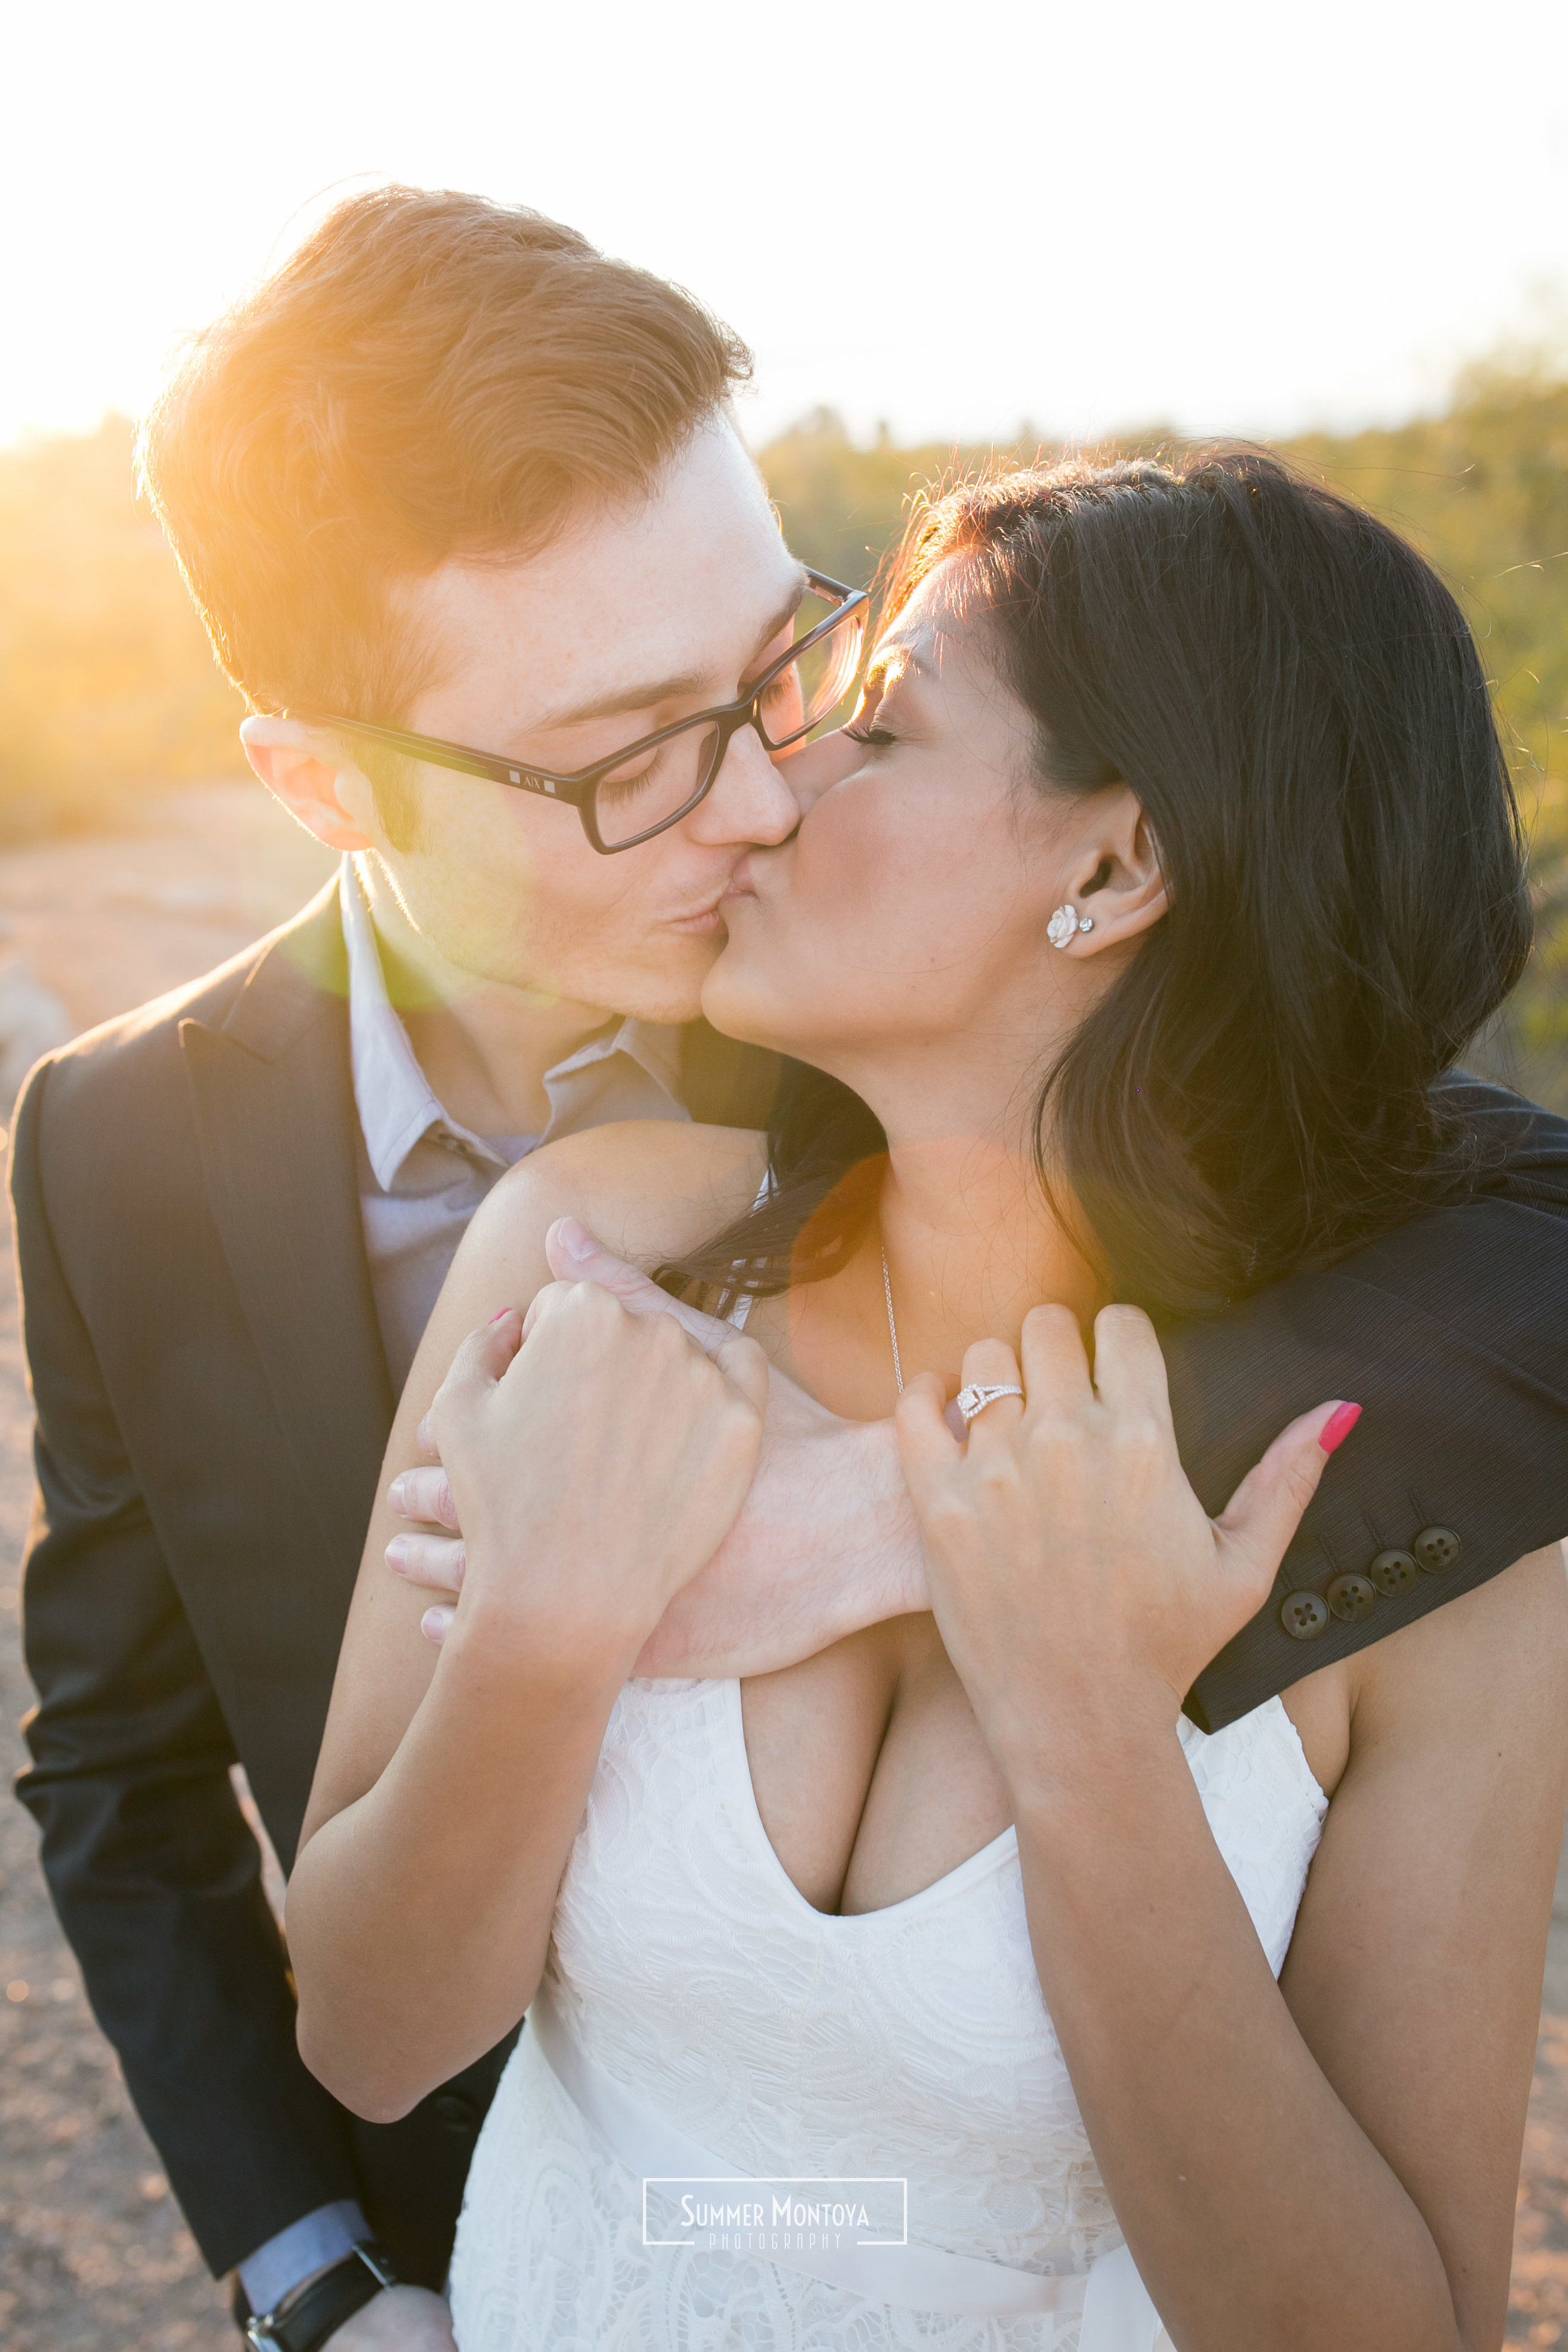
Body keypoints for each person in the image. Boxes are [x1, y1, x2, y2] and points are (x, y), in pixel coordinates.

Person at [9, 178, 1568, 2352]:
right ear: (326, 791)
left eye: (797, 673)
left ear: (1116, 870)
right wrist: (312, 2276)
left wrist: (961, 1545)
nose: (760, 783)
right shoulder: (424, 1202)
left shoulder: (1412, 1413)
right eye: (638, 751)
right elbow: (144, 1790)